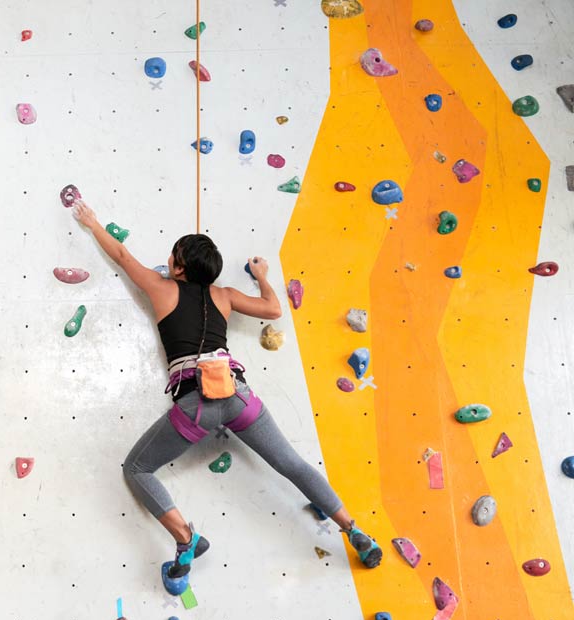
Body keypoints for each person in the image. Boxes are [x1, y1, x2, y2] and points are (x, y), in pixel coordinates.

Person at [72, 200, 382, 580]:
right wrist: (262, 274)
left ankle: (186, 539)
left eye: (174, 255)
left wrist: (92, 222)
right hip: (239, 399)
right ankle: (354, 530)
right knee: (293, 466)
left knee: (137, 468)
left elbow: (121, 253)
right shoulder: (225, 296)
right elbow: (272, 310)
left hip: (195, 408)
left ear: (178, 267)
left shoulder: (161, 288)